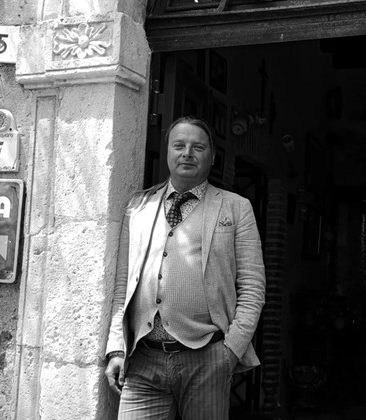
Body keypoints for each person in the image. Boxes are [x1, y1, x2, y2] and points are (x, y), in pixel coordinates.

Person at [105, 116, 266, 419]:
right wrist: (116, 348)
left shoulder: (236, 207)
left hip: (207, 359)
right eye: (179, 145)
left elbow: (253, 288)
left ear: (212, 156)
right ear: (168, 151)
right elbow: (123, 284)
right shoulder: (138, 207)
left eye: (198, 147)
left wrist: (231, 351)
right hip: (143, 360)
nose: (187, 153)